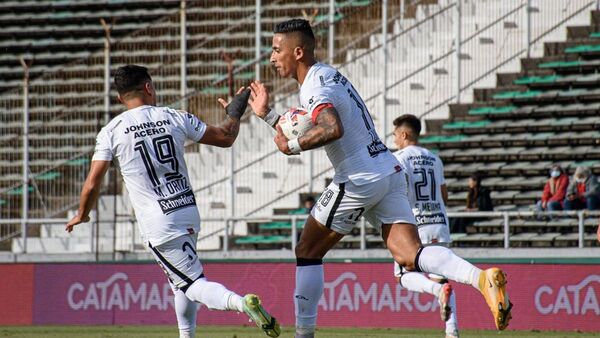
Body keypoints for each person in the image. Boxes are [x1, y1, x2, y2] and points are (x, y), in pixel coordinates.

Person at [247, 19, 512, 338]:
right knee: (409, 253)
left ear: (298, 51)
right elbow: (312, 123)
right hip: (387, 170)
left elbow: (331, 128)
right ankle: (481, 279)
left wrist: (290, 145)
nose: (272, 58)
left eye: (277, 50)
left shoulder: (315, 86)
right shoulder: (327, 75)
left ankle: (303, 335)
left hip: (358, 178)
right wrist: (269, 117)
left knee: (307, 250)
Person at [65, 65, 280, 338]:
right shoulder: (174, 116)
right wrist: (235, 112)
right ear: (149, 87)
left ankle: (242, 303)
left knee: (192, 283)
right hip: (187, 210)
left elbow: (93, 181)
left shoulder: (112, 131)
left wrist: (83, 214)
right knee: (180, 282)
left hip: (159, 223)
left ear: (120, 99)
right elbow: (226, 137)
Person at [391, 114, 459, 338]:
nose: (394, 140)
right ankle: (452, 331)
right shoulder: (435, 158)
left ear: (404, 134)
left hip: (414, 226)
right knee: (442, 275)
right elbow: (444, 195)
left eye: (395, 135)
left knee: (403, 275)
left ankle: (437, 291)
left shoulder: (399, 157)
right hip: (438, 223)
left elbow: (398, 190)